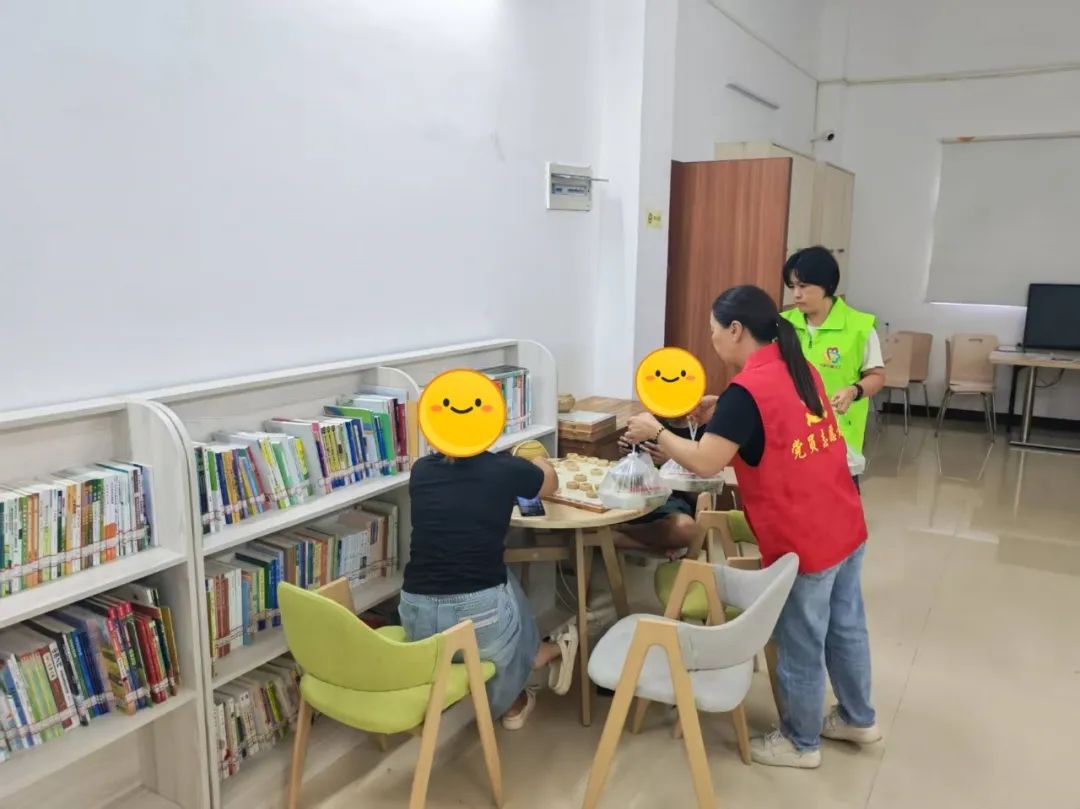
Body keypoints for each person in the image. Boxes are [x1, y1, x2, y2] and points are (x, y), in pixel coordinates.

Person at [624, 284, 880, 769]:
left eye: (714, 331)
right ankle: (858, 718)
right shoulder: (797, 366)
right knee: (845, 626)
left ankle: (801, 743)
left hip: (804, 537)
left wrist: (655, 432)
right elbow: (769, 417)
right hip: (844, 519)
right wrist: (724, 407)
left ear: (737, 330)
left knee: (800, 641)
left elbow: (705, 461)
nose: (713, 339)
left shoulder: (748, 393)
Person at [399, 449, 578, 730]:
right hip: (479, 625)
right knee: (494, 583)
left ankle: (536, 652)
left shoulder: (421, 469)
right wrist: (537, 460)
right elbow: (550, 483)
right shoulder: (507, 468)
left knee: (495, 574)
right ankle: (513, 702)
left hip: (417, 622)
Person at [781, 247, 884, 456]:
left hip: (838, 437)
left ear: (826, 285)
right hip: (790, 435)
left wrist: (853, 391)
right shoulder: (783, 324)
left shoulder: (859, 327)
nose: (796, 294)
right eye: (792, 286)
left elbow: (877, 376)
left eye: (803, 286)